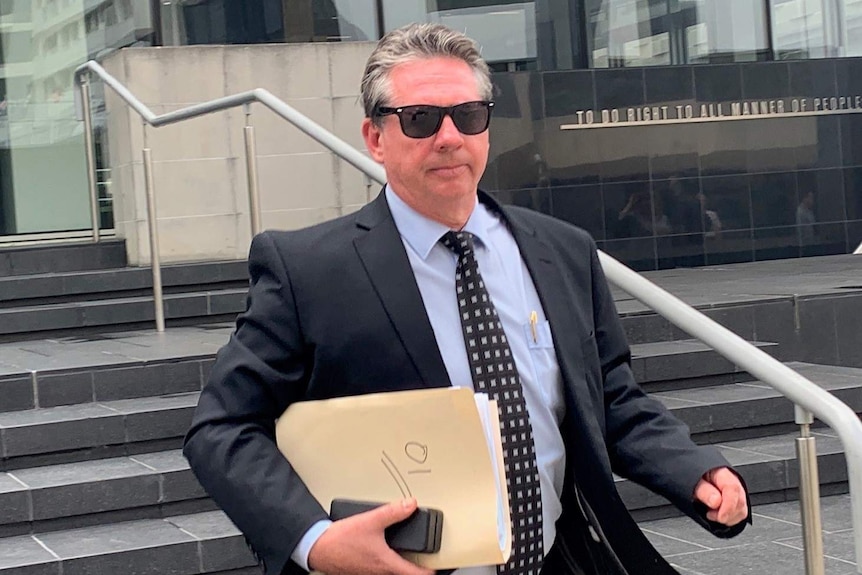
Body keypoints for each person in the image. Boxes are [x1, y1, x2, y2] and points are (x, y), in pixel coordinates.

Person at [183, 22, 750, 575]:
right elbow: (223, 429)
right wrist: (318, 542)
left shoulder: (563, 252)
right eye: (421, 119)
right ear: (376, 138)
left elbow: (610, 399)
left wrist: (695, 470)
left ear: (486, 128)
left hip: (560, 556)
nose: (448, 136)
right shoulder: (308, 271)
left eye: (468, 115)